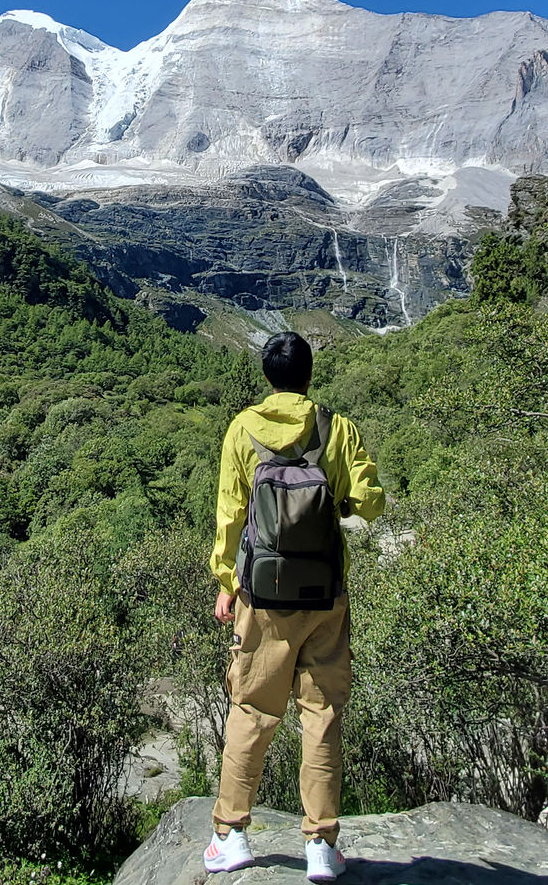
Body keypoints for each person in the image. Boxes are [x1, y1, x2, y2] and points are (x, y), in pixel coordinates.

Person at [204, 332, 385, 882]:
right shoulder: (337, 428)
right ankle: (321, 846)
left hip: (261, 597)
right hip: (325, 597)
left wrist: (226, 582)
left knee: (253, 710)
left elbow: (231, 515)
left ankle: (230, 835)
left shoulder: (241, 429)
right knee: (322, 715)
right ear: (309, 377)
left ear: (268, 378)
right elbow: (371, 505)